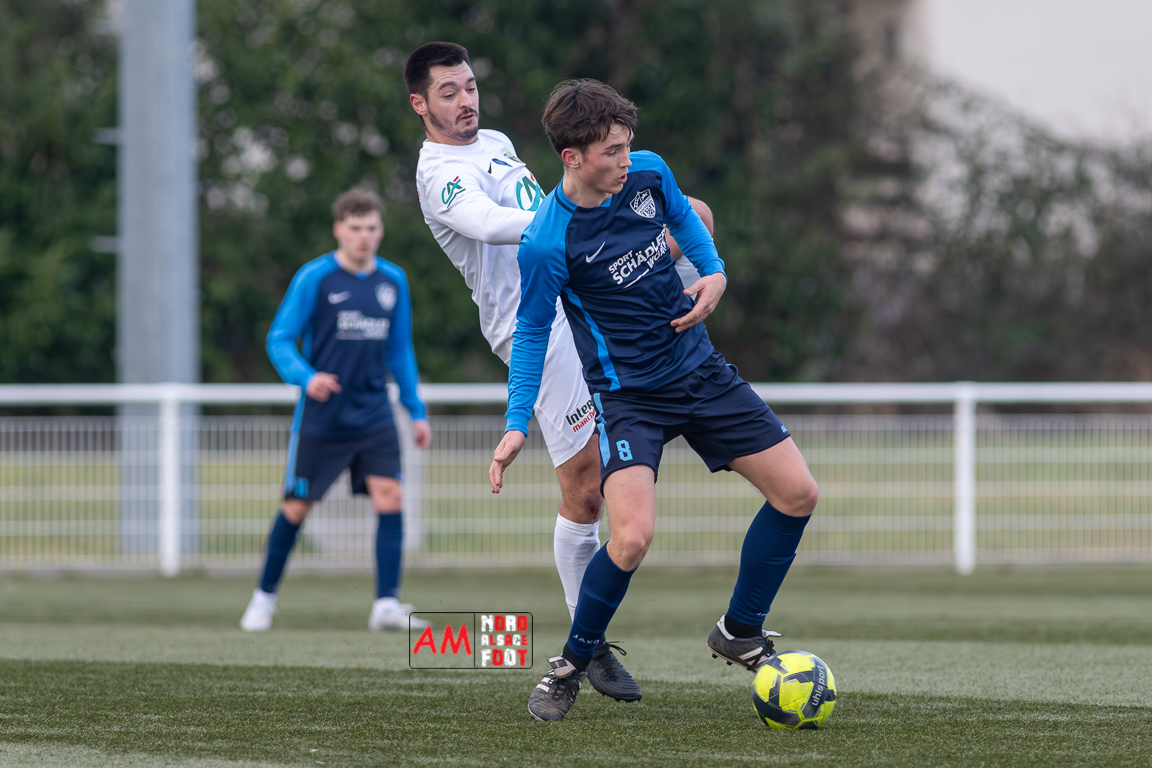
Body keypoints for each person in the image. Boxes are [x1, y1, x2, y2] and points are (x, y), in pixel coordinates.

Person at [489, 80, 820, 722]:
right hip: (629, 398)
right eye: (611, 151)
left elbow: (688, 224)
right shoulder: (547, 242)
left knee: (798, 494)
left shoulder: (648, 172)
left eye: (627, 145)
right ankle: (570, 665)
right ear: (572, 157)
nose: (626, 159)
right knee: (632, 537)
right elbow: (530, 333)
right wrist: (516, 422)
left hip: (701, 372)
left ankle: (739, 629)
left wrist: (714, 272)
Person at [404, 41, 643, 702]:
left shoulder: (498, 142)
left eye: (470, 86)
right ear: (420, 104)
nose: (466, 101)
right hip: (533, 329)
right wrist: (573, 220)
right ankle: (589, 645)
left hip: (575, 299)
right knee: (584, 486)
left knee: (618, 456)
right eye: (448, 92)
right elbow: (487, 224)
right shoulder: (437, 174)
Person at [240, 187, 432, 633]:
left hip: (375, 413)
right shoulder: (316, 277)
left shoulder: (393, 281)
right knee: (296, 507)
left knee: (391, 496)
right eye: (355, 227)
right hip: (323, 416)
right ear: (338, 230)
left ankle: (386, 605)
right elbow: (279, 339)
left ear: (381, 230)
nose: (364, 236)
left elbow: (400, 350)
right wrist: (306, 377)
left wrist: (416, 410)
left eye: (371, 228)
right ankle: (263, 599)